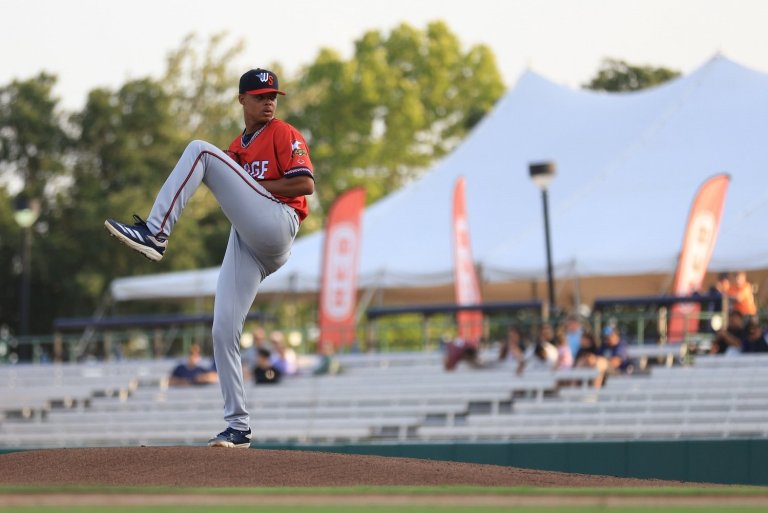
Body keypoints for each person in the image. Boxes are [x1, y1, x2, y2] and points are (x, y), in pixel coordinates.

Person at [104, 68, 314, 448]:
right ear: (242, 100)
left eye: (273, 96)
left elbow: (305, 184)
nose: (268, 102)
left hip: (279, 223)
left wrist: (253, 185)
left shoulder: (283, 133)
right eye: (260, 96)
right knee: (222, 332)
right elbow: (234, 189)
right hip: (249, 240)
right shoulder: (237, 146)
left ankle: (156, 232)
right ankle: (238, 426)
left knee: (199, 148)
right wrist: (245, 186)